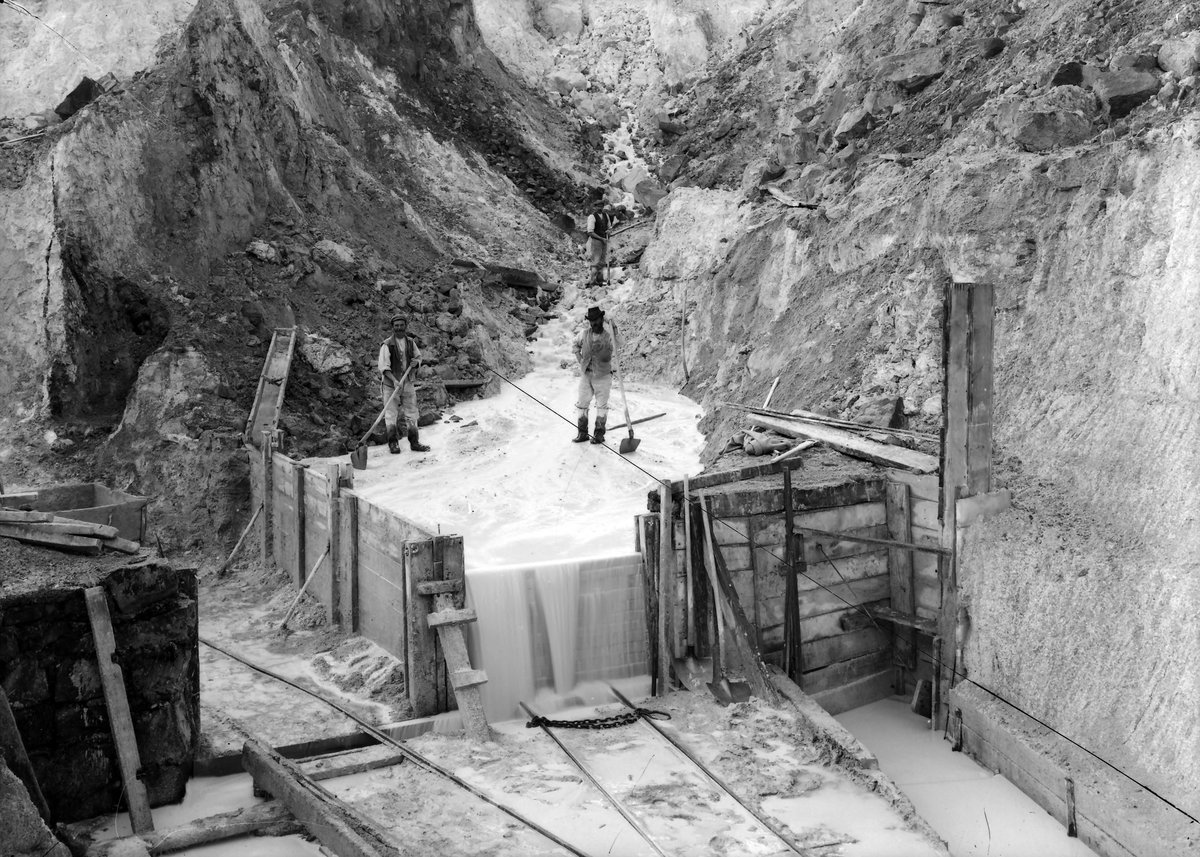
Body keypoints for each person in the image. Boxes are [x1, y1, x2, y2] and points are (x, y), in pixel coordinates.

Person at [377, 314, 430, 453]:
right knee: (391, 414)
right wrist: (394, 380)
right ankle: (393, 444)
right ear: (393, 327)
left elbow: (418, 357)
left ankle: (414, 442)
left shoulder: (410, 342)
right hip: (390, 385)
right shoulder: (386, 345)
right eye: (396, 326)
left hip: (407, 383)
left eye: (401, 325)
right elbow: (383, 367)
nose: (399, 328)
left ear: (405, 326)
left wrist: (416, 363)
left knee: (412, 413)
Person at [572, 305, 617, 444]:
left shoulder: (609, 337)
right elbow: (575, 345)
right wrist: (580, 359)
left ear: (601, 319)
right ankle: (582, 433)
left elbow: (620, 343)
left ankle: (599, 434)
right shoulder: (584, 334)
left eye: (597, 320)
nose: (594, 323)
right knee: (582, 403)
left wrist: (614, 325)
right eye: (592, 321)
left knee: (601, 405)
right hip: (586, 375)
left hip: (603, 376)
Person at [585, 204, 614, 287]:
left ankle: (600, 280)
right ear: (594, 207)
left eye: (601, 206)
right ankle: (592, 281)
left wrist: (609, 231)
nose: (600, 208)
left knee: (603, 261)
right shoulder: (592, 217)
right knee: (596, 261)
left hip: (605, 240)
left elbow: (609, 227)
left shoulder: (606, 215)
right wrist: (601, 239)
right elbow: (590, 232)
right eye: (598, 206)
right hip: (596, 241)